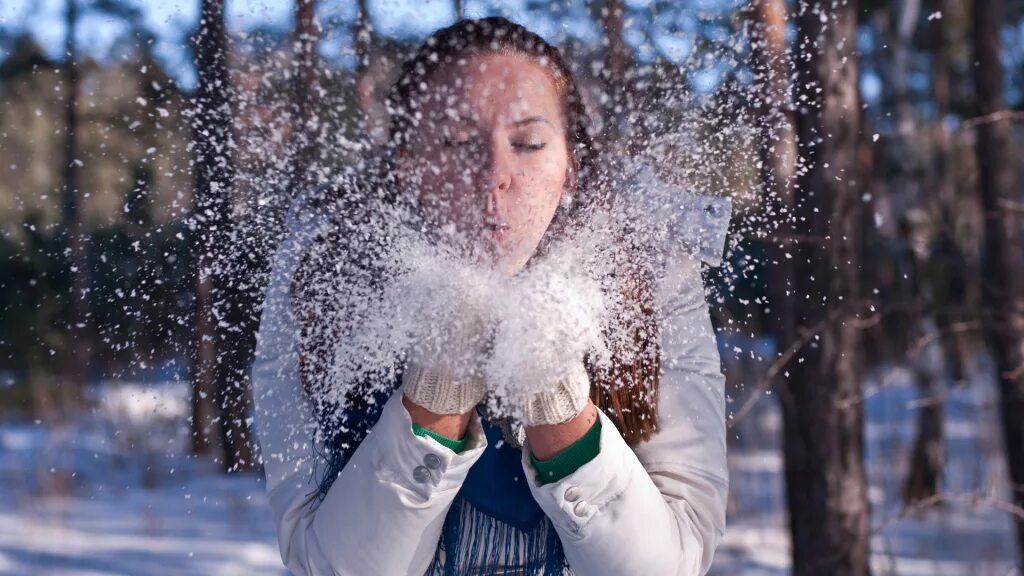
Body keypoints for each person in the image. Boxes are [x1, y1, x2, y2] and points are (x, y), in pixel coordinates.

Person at [252, 16, 729, 576]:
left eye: (527, 143)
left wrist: (553, 392)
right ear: (407, 164)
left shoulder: (650, 270)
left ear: (569, 167)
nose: (493, 175)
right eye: (455, 144)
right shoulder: (324, 276)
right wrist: (439, 381)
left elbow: (672, 565)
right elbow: (323, 565)